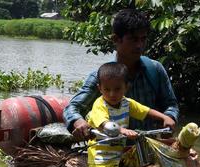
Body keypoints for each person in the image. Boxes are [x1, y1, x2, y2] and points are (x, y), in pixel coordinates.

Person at [64, 8, 180, 140]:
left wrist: (169, 118)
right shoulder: (102, 77)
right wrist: (78, 122)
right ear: (116, 39)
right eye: (133, 39)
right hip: (112, 149)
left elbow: (171, 104)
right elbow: (72, 108)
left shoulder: (155, 69)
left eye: (143, 39)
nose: (139, 45)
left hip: (147, 145)